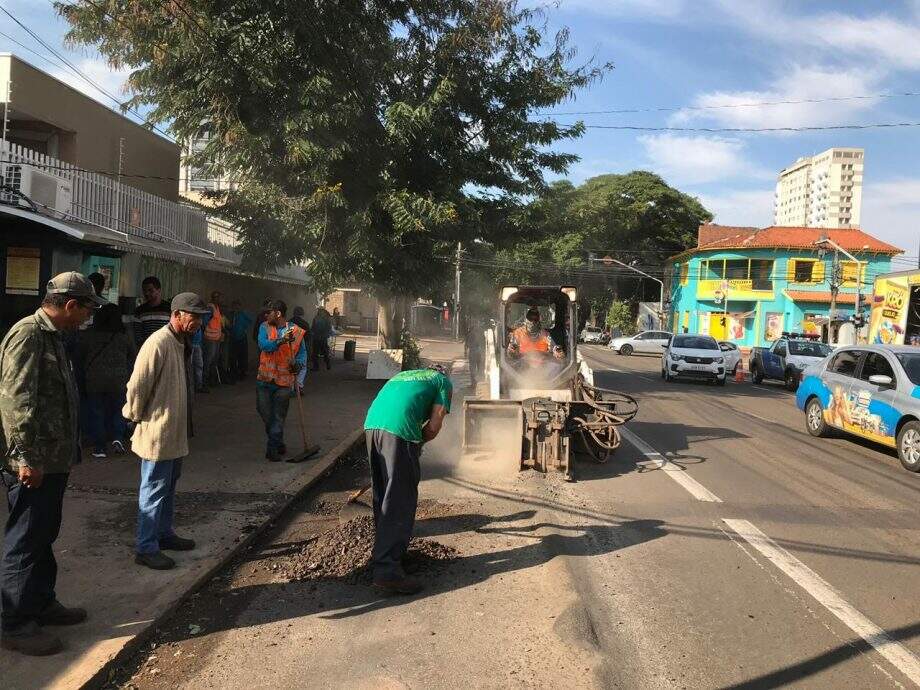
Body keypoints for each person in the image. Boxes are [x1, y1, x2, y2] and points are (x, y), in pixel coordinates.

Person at [0, 272, 104, 656]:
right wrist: (24, 456)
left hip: (53, 458)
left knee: (43, 533)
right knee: (25, 539)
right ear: (70, 305)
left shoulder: (54, 336)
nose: (88, 317)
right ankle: (12, 622)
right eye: (87, 309)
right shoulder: (28, 335)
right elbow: (15, 401)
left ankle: (41, 603)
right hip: (34, 461)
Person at [124, 293, 209, 571]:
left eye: (200, 317)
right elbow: (138, 386)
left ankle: (164, 534)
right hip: (158, 431)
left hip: (176, 430)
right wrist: (133, 416)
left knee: (169, 487)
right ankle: (145, 547)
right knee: (153, 490)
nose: (198, 322)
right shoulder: (158, 343)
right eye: (193, 317)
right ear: (177, 314)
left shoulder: (181, 342)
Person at [364, 365, 452, 595]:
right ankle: (387, 573)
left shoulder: (402, 375)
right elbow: (433, 427)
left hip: (371, 425)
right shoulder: (443, 382)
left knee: (383, 493)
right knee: (400, 498)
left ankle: (387, 557)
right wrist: (417, 444)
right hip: (400, 430)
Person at [78, 303, 135, 458]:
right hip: (119, 379)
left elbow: (81, 354)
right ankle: (117, 437)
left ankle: (99, 447)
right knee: (119, 410)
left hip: (94, 379)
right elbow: (132, 355)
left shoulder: (90, 334)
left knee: (97, 412)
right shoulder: (124, 335)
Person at [256, 300, 307, 462]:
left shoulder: (296, 332)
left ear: (278, 313)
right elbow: (264, 345)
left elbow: (302, 355)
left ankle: (272, 449)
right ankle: (278, 442)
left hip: (284, 383)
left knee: (278, 416)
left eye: (269, 312)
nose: (266, 315)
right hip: (264, 380)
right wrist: (281, 340)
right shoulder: (264, 327)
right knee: (265, 414)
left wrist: (297, 365)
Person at [133, 276, 171, 349]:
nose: (146, 293)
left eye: (150, 290)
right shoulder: (139, 311)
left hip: (166, 348)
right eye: (144, 290)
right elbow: (138, 334)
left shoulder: (169, 308)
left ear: (159, 290)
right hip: (147, 349)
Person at [202, 290, 224, 386]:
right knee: (208, 360)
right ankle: (204, 381)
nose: (219, 299)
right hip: (210, 338)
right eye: (217, 297)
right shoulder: (210, 308)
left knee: (214, 360)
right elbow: (204, 322)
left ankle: (212, 380)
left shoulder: (217, 308)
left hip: (216, 338)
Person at [228, 300, 253, 383]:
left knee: (242, 356)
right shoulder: (231, 315)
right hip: (233, 338)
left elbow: (250, 321)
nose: (236, 308)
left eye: (237, 306)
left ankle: (242, 373)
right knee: (233, 357)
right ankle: (234, 373)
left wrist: (245, 328)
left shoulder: (242, 314)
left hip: (242, 337)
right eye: (234, 306)